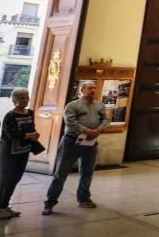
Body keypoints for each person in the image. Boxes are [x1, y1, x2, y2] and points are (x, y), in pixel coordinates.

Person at [42, 80, 109, 215]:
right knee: (61, 173)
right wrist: (86, 131)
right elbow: (70, 122)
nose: (93, 91)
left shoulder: (99, 105)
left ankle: (84, 198)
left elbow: (106, 119)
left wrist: (98, 130)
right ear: (81, 90)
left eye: (94, 88)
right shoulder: (72, 105)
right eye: (90, 88)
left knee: (87, 172)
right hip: (71, 142)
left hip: (91, 143)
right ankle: (50, 202)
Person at [0, 88, 40, 220]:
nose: (24, 100)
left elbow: (31, 127)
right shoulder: (10, 115)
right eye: (21, 98)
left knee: (15, 180)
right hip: (8, 153)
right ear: (14, 100)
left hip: (23, 152)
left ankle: (5, 206)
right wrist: (30, 135)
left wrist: (34, 134)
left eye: (26, 97)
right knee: (4, 180)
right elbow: (11, 134)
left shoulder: (30, 113)